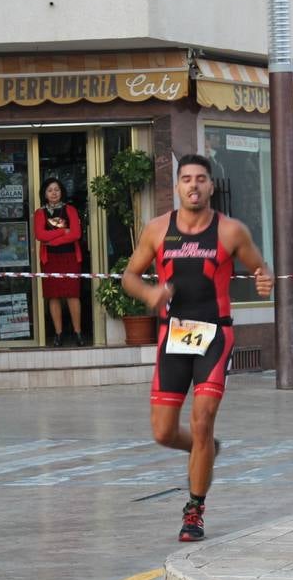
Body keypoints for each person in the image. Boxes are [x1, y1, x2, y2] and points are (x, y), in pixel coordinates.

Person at [121, 154, 273, 542]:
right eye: (186, 179)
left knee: (202, 420)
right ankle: (205, 449)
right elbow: (129, 276)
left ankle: (194, 509)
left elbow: (260, 266)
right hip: (173, 336)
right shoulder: (157, 230)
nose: (193, 185)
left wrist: (263, 279)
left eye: (201, 179)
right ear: (176, 186)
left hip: (214, 335)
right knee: (163, 432)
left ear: (210, 186)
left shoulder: (230, 231)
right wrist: (150, 292)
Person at [32, 177, 85, 347]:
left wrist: (53, 239)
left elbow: (76, 234)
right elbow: (40, 235)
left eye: (56, 189)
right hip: (50, 260)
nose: (54, 193)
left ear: (61, 191)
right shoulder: (40, 213)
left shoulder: (70, 210)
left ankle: (78, 333)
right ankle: (58, 334)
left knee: (72, 295)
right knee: (52, 296)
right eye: (50, 190)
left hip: (70, 257)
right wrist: (63, 233)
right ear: (45, 194)